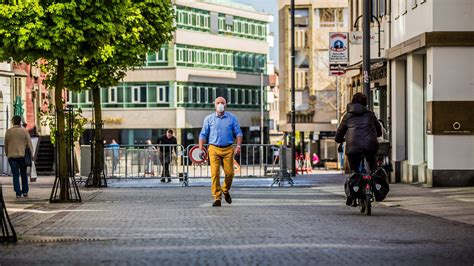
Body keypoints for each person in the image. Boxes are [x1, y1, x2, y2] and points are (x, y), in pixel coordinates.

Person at [335, 93, 382, 206]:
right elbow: (379, 130)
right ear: (365, 103)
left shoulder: (347, 116)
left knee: (354, 171)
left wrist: (340, 140)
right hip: (370, 146)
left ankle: (352, 194)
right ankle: (375, 187)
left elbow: (339, 134)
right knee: (373, 167)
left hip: (353, 147)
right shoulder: (370, 114)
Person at [199, 97, 243, 207]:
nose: (220, 104)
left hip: (228, 148)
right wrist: (200, 148)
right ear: (214, 105)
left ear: (226, 105)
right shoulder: (209, 119)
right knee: (215, 174)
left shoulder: (232, 118)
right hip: (213, 148)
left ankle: (225, 189)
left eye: (222, 103)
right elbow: (203, 134)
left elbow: (238, 133)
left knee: (230, 173)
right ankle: (217, 197)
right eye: (218, 103)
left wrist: (238, 146)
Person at [5, 115, 33, 198]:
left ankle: (17, 192)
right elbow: (29, 143)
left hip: (12, 156)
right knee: (23, 174)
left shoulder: (8, 131)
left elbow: (6, 144)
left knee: (15, 175)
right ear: (20, 121)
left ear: (13, 122)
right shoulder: (24, 131)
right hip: (22, 156)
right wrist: (32, 154)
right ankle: (25, 191)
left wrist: (7, 153)